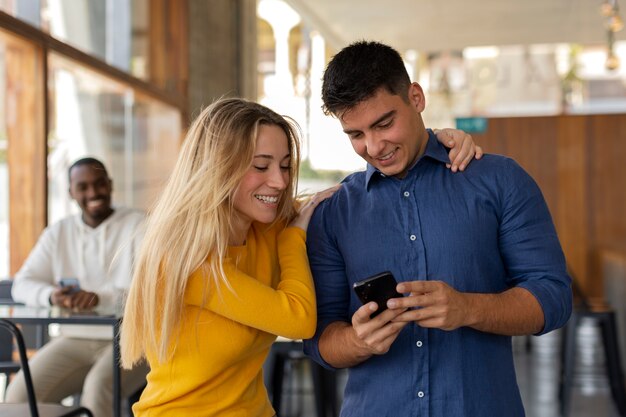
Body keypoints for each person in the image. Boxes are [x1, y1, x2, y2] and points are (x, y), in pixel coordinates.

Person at [118, 97, 479, 417]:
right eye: (260, 166)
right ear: (216, 167)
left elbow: (330, 196)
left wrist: (439, 140)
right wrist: (294, 235)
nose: (278, 181)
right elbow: (298, 320)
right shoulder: (190, 262)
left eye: (285, 165)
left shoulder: (263, 227)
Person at [303, 41, 572, 417]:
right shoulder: (334, 212)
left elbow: (554, 297)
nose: (374, 145)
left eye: (384, 123)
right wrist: (357, 340)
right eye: (356, 134)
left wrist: (468, 308)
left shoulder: (500, 180)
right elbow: (320, 340)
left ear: (416, 97)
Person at [7, 157, 150, 417]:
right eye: (83, 187)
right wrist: (52, 296)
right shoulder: (59, 232)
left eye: (99, 184)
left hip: (133, 339)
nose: (93, 193)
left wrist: (99, 299)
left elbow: (153, 292)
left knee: (98, 390)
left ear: (110, 184)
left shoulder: (140, 224)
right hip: (75, 338)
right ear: (71, 192)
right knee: (19, 395)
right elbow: (22, 284)